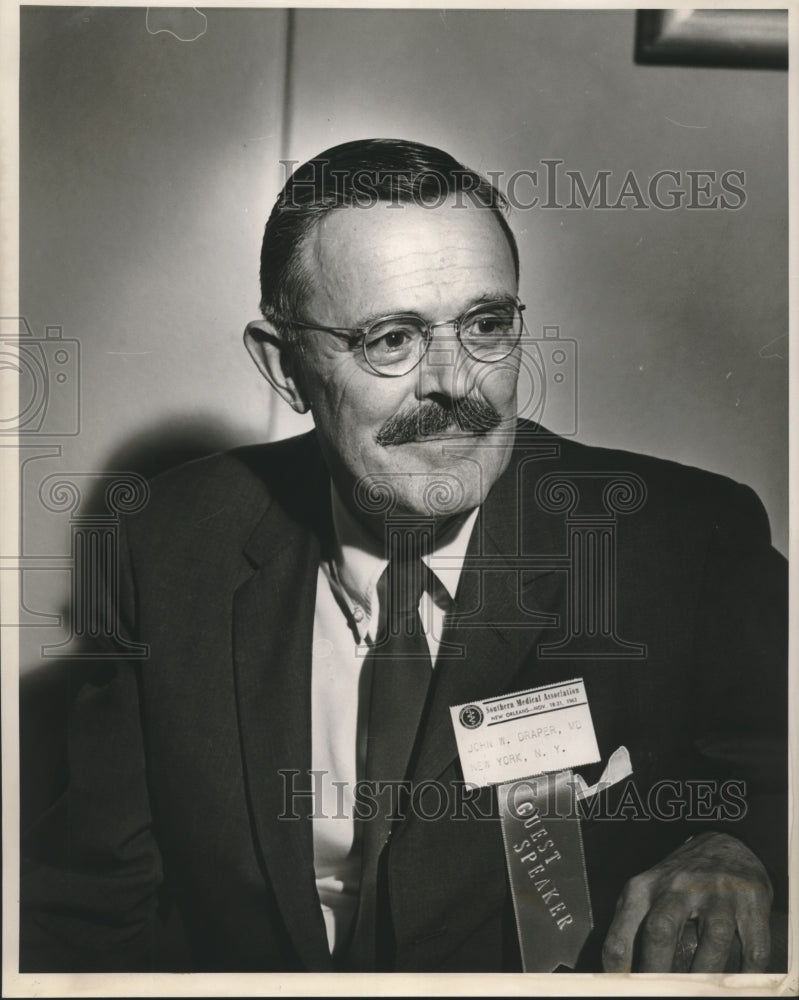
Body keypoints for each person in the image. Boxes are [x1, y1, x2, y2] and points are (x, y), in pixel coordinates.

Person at [21, 138, 787, 975]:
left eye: (486, 325)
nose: (455, 384)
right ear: (284, 368)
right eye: (391, 339)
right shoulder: (173, 541)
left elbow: (771, 774)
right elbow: (90, 907)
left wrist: (737, 844)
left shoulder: (680, 540)